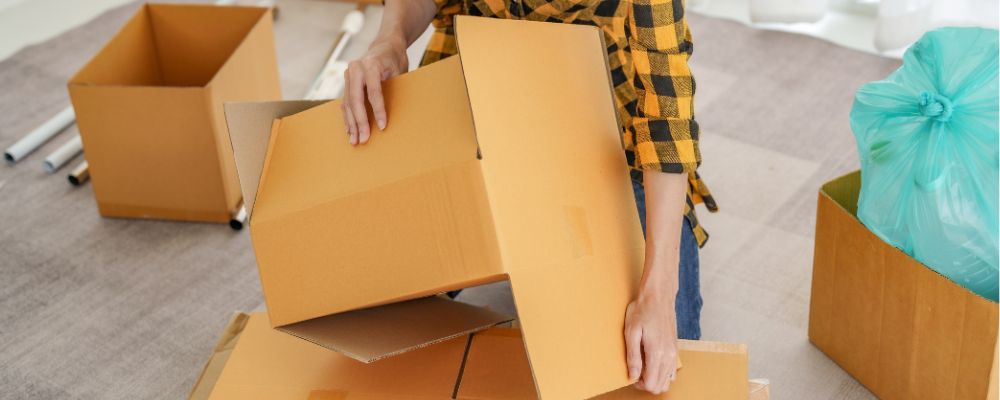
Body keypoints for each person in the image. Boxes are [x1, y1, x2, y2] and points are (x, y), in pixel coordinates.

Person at [340, 0, 717, 395]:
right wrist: (390, 40)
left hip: (608, 132)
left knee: (644, 368)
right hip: (475, 99)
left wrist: (657, 293)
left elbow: (666, 110)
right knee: (366, 317)